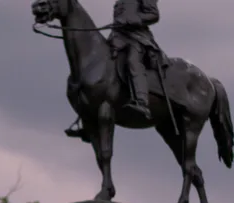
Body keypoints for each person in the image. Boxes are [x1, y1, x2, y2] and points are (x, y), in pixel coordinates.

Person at [64, 0, 161, 140]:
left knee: (132, 62)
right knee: (98, 68)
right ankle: (87, 118)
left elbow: (154, 15)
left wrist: (132, 20)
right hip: (117, 38)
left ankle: (142, 102)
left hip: (138, 38)